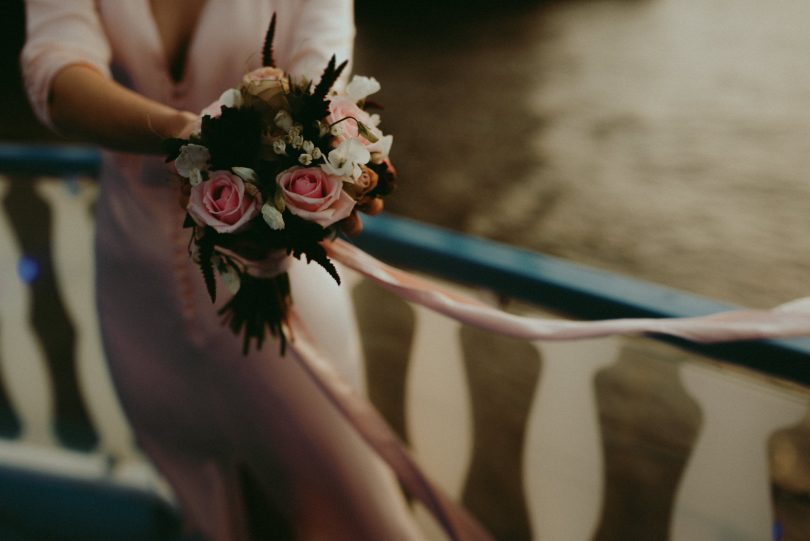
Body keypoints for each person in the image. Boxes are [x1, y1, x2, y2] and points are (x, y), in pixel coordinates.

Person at [21, 1, 423, 539]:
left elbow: (320, 77)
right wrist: (183, 135)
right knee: (207, 513)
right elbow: (54, 70)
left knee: (347, 511)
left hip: (275, 290)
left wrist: (328, 161)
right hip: (139, 293)